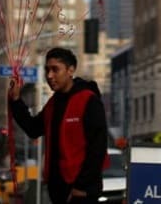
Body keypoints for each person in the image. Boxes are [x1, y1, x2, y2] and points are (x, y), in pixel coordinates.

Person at [8, 48, 108, 203]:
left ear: (70, 70)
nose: (49, 76)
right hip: (57, 189)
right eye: (47, 70)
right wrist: (16, 101)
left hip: (80, 191)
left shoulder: (88, 100)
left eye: (55, 70)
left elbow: (98, 147)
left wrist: (82, 186)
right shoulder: (53, 103)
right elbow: (33, 129)